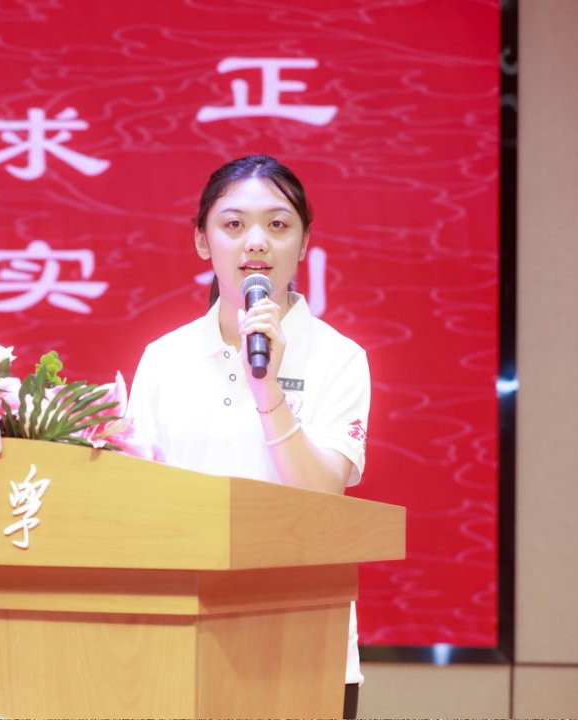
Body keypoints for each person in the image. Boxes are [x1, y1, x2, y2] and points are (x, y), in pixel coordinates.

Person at [126, 154, 370, 719]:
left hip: (304, 647)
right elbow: (139, 502)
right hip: (179, 637)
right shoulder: (163, 359)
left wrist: (268, 390)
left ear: (304, 244)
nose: (255, 241)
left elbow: (321, 498)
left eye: (278, 224)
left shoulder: (340, 358)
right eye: (233, 224)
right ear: (202, 241)